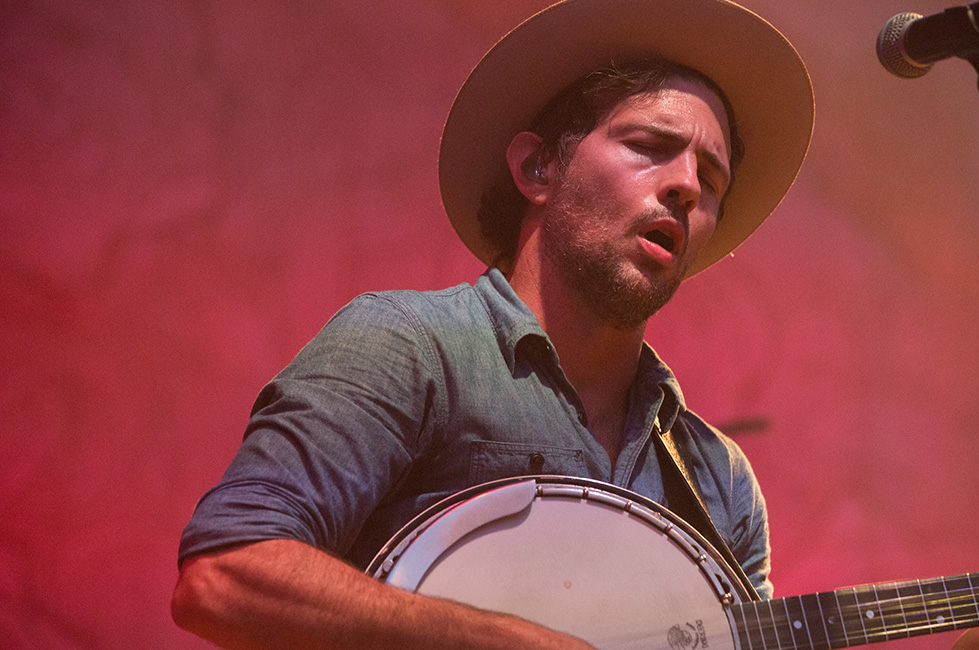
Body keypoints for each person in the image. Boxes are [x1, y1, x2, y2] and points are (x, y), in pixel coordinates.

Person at [170, 0, 815, 648]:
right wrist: (504, 639)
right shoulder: (410, 347)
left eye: (711, 178)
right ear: (539, 168)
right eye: (650, 147)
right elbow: (227, 574)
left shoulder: (718, 479)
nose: (684, 187)